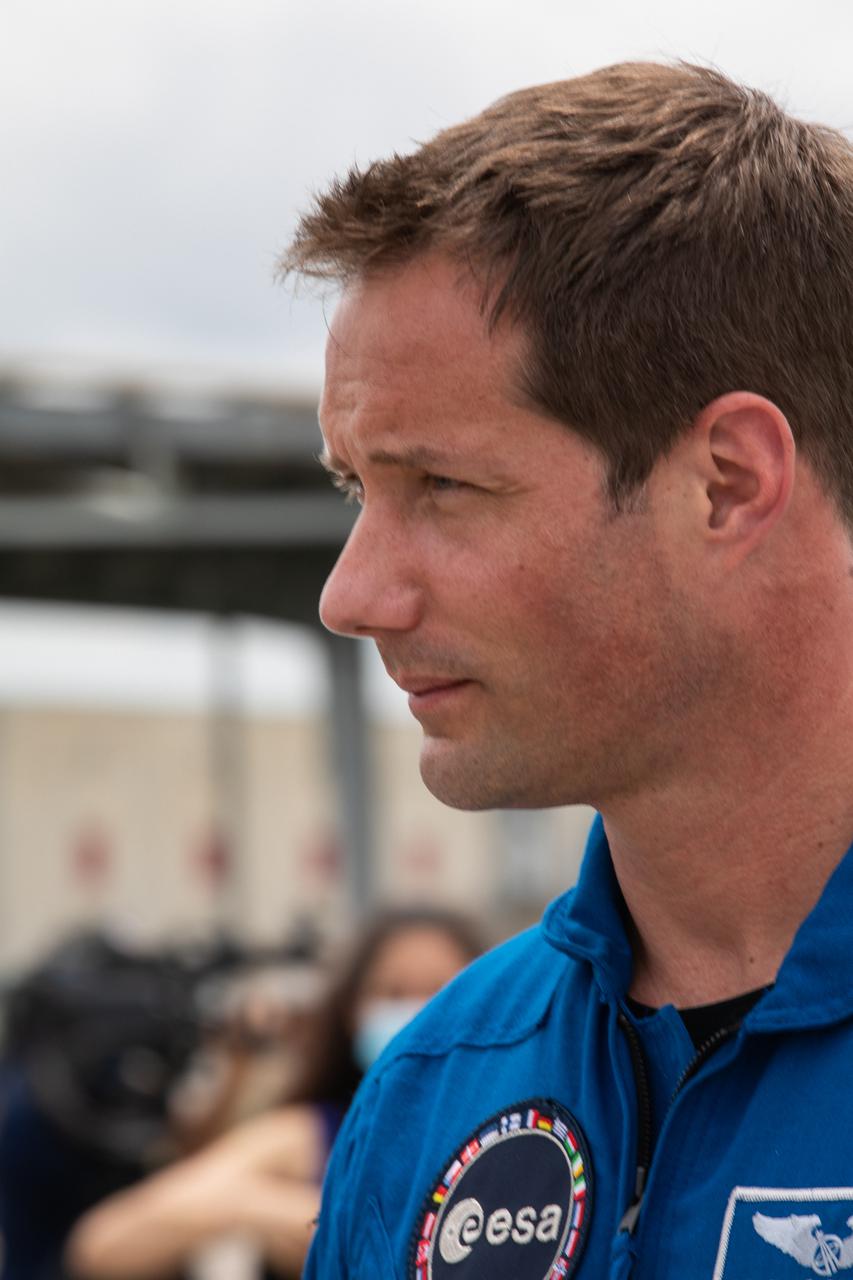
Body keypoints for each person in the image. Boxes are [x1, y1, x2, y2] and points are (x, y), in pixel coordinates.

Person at [280, 60, 853, 1280]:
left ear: (728, 483)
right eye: (355, 487)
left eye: (442, 485)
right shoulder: (435, 1085)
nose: (350, 595)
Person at [64, 910, 481, 1280]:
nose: (417, 1013)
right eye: (391, 994)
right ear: (349, 1012)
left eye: (442, 991)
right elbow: (101, 1247)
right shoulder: (313, 1138)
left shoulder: (510, 1133)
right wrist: (254, 1205)